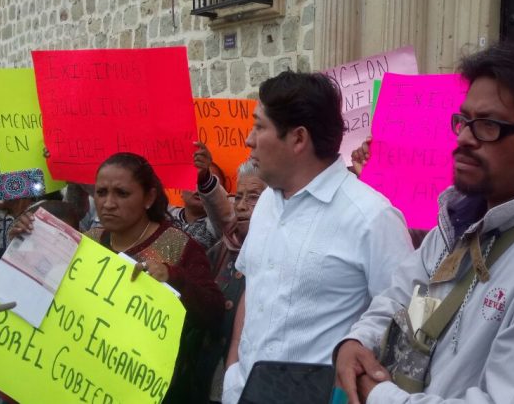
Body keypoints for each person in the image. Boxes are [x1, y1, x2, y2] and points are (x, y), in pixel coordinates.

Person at [334, 40, 514, 404]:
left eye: (488, 126)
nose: (464, 138)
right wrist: (357, 342)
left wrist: (377, 394)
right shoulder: (455, 223)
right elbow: (400, 296)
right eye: (463, 121)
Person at [221, 71, 414, 403]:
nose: (249, 140)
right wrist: (233, 372)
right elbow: (253, 289)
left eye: (260, 126)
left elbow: (401, 323)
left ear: (298, 139)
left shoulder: (372, 219)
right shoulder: (267, 201)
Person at [85, 152, 223, 403]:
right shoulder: (88, 241)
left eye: (122, 193)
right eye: (101, 192)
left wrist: (173, 277)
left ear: (149, 197)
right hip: (87, 383)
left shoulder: (178, 246)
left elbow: (214, 313)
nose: (108, 203)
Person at [189, 140, 268, 402]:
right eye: (239, 197)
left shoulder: (284, 257)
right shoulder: (222, 249)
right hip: (205, 380)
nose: (242, 205)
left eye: (254, 197)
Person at [169, 163, 228, 250]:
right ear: (181, 189)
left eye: (207, 183)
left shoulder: (222, 225)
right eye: (193, 180)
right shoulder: (164, 215)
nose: (199, 188)